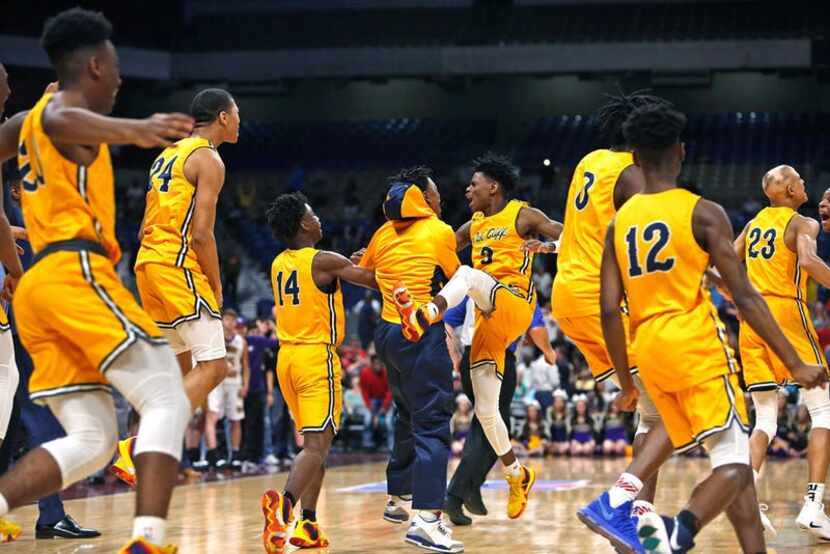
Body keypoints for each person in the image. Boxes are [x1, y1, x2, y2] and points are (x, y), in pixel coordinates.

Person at [0, 7, 195, 552]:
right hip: (75, 271)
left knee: (91, 442)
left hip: (39, 286)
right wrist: (137, 129)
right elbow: (65, 120)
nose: (120, 78)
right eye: (114, 66)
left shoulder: (23, 123)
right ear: (94, 66)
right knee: (167, 398)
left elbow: (44, 125)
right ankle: (148, 538)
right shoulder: (64, 110)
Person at [601, 102, 826, 553]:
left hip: (644, 344)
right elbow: (744, 293)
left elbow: (609, 306)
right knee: (738, 456)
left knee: (695, 437)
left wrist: (624, 378)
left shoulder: (618, 222)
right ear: (681, 153)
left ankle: (640, 518)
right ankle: (632, 510)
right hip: (694, 343)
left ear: (636, 159)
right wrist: (796, 362)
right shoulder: (703, 212)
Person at [526, 93, 675, 552]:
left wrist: (551, 249)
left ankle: (635, 533)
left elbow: (580, 229)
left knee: (651, 414)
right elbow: (656, 229)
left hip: (568, 297)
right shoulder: (631, 173)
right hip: (600, 299)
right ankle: (616, 506)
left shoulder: (589, 162)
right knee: (675, 406)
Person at [396, 153, 562, 521]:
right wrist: (387, 254)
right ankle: (517, 474)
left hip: (515, 302)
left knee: (469, 276)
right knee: (486, 411)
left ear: (494, 187)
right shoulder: (473, 225)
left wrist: (547, 248)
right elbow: (437, 249)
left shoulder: (523, 214)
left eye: (475, 183)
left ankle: (426, 314)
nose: (468, 189)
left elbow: (572, 236)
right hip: (488, 320)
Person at [113, 87, 241, 485]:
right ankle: (141, 445)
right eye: (237, 114)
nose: (239, 121)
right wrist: (216, 284)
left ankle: (151, 451)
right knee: (216, 367)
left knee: (183, 370)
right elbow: (201, 234)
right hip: (177, 264)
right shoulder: (209, 159)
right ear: (222, 117)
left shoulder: (166, 155)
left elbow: (142, 224)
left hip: (147, 265)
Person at [260, 192, 377, 553]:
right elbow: (374, 281)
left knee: (315, 449)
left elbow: (337, 274)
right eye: (313, 214)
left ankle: (307, 525)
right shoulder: (324, 259)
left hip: (287, 360)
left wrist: (349, 264)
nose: (319, 219)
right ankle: (283, 510)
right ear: (302, 224)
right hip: (315, 356)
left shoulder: (280, 262)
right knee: (316, 446)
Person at [355, 167, 464, 553]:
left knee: (406, 412)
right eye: (432, 194)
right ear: (422, 200)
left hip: (386, 335)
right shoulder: (439, 230)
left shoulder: (382, 233)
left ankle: (397, 494)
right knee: (433, 423)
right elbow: (456, 280)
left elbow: (365, 269)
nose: (438, 199)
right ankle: (427, 520)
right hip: (418, 331)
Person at [0, 167, 101, 541]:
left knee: (12, 423)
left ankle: (50, 513)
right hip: (23, 326)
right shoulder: (20, 224)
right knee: (41, 418)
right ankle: (51, 513)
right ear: (14, 190)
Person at [734, 165, 830, 538]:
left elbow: (726, 258)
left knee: (765, 421)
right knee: (823, 410)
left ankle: (748, 503)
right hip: (786, 315)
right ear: (789, 189)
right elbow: (807, 261)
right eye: (802, 183)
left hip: (751, 319)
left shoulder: (754, 222)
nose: (807, 186)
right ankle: (813, 505)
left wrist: (737, 298)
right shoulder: (803, 224)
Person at [442, 295, 553, 526]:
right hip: (497, 359)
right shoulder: (521, 287)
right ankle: (456, 494)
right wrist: (548, 351)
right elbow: (536, 328)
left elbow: (447, 320)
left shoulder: (475, 283)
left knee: (490, 426)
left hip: (470, 358)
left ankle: (470, 488)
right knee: (491, 429)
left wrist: (454, 354)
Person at [204, 310, 248, 469]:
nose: (229, 322)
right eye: (227, 319)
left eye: (232, 320)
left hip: (234, 383)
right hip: (216, 383)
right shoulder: (214, 338)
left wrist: (245, 384)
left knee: (235, 419)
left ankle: (235, 454)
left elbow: (245, 366)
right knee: (213, 416)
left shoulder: (241, 341)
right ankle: (214, 454)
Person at [359, 355, 393, 450]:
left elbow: (389, 392)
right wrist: (371, 410)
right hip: (371, 400)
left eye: (380, 363)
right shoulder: (365, 373)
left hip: (384, 400)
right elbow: (364, 392)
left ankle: (391, 446)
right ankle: (367, 444)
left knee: (389, 422)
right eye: (376, 363)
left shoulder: (386, 373)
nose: (378, 365)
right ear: (372, 364)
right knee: (367, 419)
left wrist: (383, 409)